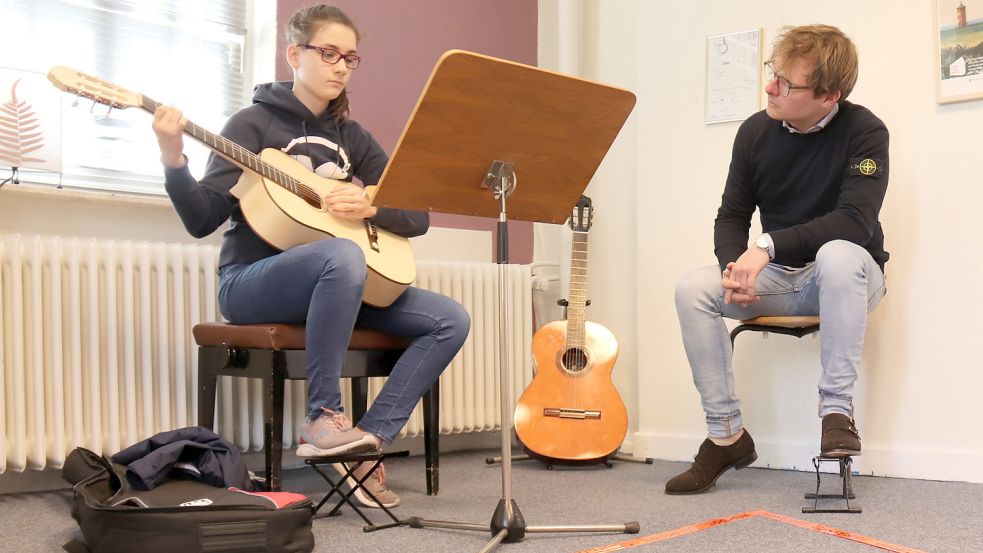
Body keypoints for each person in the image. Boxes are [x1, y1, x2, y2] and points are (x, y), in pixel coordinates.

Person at [152, 4, 470, 508]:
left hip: (337, 284)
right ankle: (323, 417)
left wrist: (372, 203)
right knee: (340, 255)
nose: (340, 65)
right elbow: (201, 219)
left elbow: (418, 215)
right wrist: (173, 159)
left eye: (350, 57)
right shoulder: (251, 125)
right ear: (294, 54)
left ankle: (365, 446)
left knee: (449, 318)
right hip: (252, 282)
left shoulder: (355, 139)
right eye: (328, 53)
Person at [667, 24, 888, 495]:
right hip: (782, 279)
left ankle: (836, 413)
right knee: (694, 288)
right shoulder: (754, 132)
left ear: (829, 96)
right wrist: (735, 270)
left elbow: (855, 222)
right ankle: (725, 434)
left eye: (786, 83)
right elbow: (731, 215)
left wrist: (764, 247)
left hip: (845, 278)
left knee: (839, 253)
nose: (770, 87)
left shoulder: (866, 131)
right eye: (773, 73)